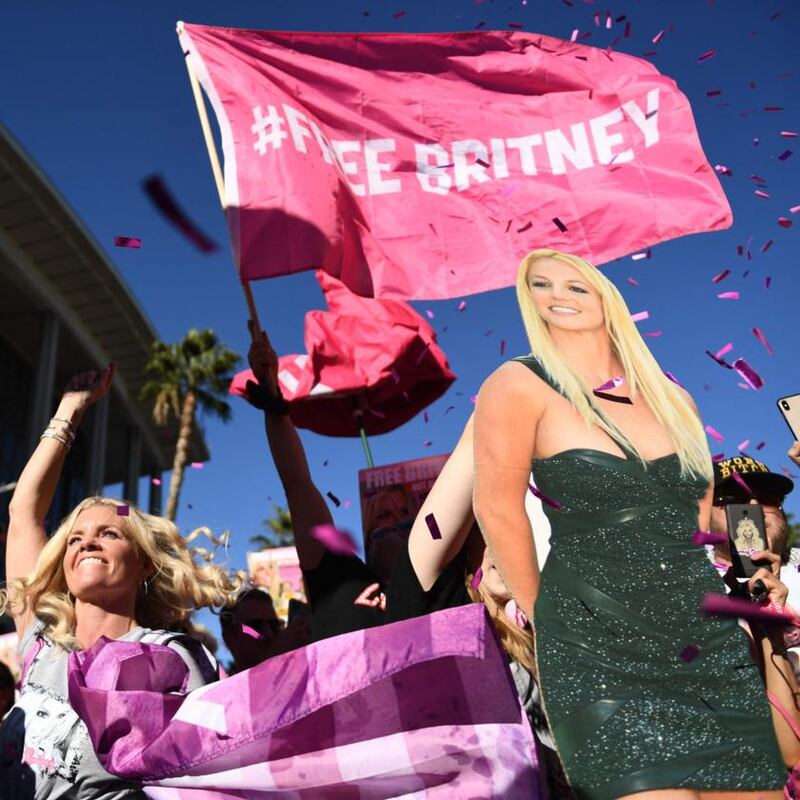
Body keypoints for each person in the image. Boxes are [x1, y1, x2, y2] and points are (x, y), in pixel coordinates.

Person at [473, 248, 790, 800]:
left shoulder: (676, 401)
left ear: (606, 297)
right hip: (596, 644)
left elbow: (693, 518)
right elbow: (496, 508)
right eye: (540, 287)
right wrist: (550, 631)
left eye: (575, 286)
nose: (556, 297)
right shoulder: (518, 383)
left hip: (703, 640)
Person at [0, 364, 240, 800]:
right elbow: (24, 514)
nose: (87, 543)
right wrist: (70, 410)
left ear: (145, 565)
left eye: (108, 534)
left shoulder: (173, 655)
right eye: (75, 538)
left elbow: (209, 773)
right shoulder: (41, 642)